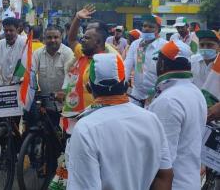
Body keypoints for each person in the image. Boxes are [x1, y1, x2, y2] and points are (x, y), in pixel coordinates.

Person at [67, 53, 173, 190]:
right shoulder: (151, 119)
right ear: (126, 85)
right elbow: (164, 176)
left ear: (89, 88)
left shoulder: (86, 128)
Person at [148, 40, 206, 190]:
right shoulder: (194, 91)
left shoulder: (169, 100)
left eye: (158, 60)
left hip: (174, 185)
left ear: (162, 64)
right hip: (190, 180)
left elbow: (162, 159)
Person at [30, 26, 73, 126]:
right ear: (44, 39)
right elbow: (31, 71)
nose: (52, 40)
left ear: (61, 38)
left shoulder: (68, 53)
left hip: (66, 102)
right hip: (46, 102)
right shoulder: (37, 53)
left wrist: (64, 91)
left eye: (56, 37)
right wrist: (33, 87)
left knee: (65, 134)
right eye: (49, 37)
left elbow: (70, 75)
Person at [124, 14, 167, 106]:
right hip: (137, 94)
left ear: (158, 30)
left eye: (151, 27)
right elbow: (127, 65)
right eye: (144, 26)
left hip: (157, 94)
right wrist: (123, 81)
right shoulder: (136, 44)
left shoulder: (165, 46)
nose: (146, 28)